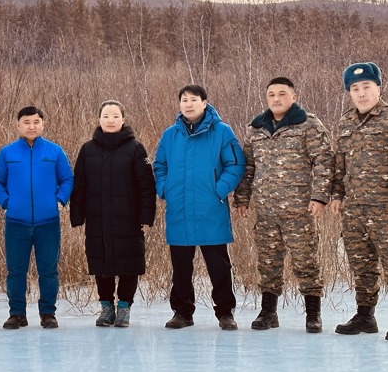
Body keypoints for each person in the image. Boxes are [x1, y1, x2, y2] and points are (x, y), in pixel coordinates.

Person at [330, 62, 388, 342]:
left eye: (366, 87)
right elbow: (339, 163)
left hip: (386, 206)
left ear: (378, 88)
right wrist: (337, 194)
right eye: (355, 89)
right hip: (354, 208)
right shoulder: (346, 122)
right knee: (361, 263)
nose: (361, 93)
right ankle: (365, 315)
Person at [234, 78, 333, 333]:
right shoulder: (256, 128)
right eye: (271, 95)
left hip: (300, 209)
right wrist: (242, 198)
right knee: (268, 263)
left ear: (293, 96)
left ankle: (313, 314)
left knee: (306, 262)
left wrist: (320, 196)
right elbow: (248, 167)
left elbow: (323, 161)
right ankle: (268, 312)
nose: (276, 99)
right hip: (266, 211)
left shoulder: (308, 124)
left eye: (282, 94)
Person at [153, 84, 245, 330]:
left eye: (194, 99)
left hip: (210, 209)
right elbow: (159, 166)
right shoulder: (170, 135)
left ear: (205, 103)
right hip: (179, 209)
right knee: (181, 268)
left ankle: (225, 313)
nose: (188, 104)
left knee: (219, 267)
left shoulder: (222, 132)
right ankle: (182, 313)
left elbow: (235, 165)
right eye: (184, 100)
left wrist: (219, 190)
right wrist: (165, 189)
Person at [70, 100, 156, 328]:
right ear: (99, 119)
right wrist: (77, 216)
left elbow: (147, 186)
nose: (110, 120)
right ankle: (106, 307)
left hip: (128, 219)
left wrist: (146, 217)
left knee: (129, 263)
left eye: (115, 116)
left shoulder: (135, 148)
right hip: (97, 218)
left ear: (123, 120)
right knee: (101, 263)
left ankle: (124, 307)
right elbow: (79, 184)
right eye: (106, 116)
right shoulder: (88, 149)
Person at [0, 106, 73, 330]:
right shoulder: (7, 153)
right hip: (16, 222)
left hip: (48, 222)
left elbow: (67, 179)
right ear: (18, 125)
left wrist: (60, 199)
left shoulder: (55, 152)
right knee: (16, 270)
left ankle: (48, 313)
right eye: (26, 122)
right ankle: (17, 313)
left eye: (36, 122)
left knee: (49, 270)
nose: (31, 126)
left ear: (43, 125)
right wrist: (7, 202)